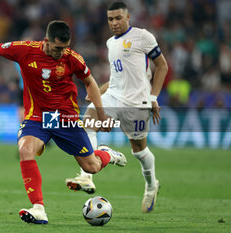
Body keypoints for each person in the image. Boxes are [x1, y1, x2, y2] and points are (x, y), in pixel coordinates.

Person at [0, 20, 127, 224]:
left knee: (91, 167)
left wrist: (101, 114)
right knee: (25, 149)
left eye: (65, 48)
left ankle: (106, 154)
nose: (61, 52)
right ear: (46, 41)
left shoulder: (72, 58)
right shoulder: (24, 50)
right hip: (37, 116)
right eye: (57, 48)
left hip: (65, 118)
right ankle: (38, 208)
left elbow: (89, 81)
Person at [66, 2, 168, 214]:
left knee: (139, 151)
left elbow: (162, 66)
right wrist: (99, 92)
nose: (114, 23)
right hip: (114, 96)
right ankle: (87, 176)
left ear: (128, 17)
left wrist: (153, 97)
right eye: (110, 19)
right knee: (87, 124)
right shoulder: (110, 43)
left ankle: (151, 185)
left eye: (118, 18)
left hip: (137, 102)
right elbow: (117, 77)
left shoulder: (143, 37)